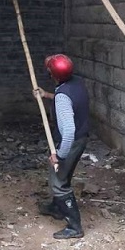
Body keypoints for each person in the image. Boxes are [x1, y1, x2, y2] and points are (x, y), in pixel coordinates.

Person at [35, 54, 89, 240]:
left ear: (53, 75)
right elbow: (68, 101)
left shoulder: (62, 97)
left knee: (58, 182)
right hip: (81, 137)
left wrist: (59, 155)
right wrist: (46, 95)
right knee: (63, 175)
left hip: (71, 142)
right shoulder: (76, 83)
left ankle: (74, 226)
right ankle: (57, 207)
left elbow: (68, 132)